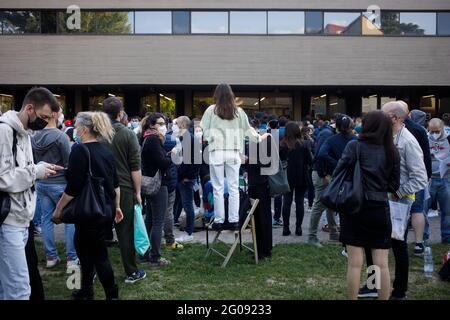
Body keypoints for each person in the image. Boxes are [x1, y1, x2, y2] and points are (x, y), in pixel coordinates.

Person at [52, 111, 123, 300]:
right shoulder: (106, 151)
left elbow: (73, 187)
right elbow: (115, 184)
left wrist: (59, 209)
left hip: (88, 211)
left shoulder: (79, 150)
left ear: (83, 129)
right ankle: (89, 292)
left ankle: (107, 294)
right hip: (104, 209)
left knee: (94, 254)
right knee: (90, 252)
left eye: (76, 127)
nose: (74, 130)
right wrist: (117, 207)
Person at [0, 87, 61, 300]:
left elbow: (21, 170)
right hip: (8, 221)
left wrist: (39, 167)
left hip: (21, 220)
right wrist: (36, 171)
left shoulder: (25, 134)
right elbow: (3, 177)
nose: (44, 122)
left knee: (11, 288)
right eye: (43, 117)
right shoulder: (5, 131)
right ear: (29, 108)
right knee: (19, 291)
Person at [334, 111, 400, 300]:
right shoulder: (391, 150)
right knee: (382, 263)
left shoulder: (354, 146)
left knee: (355, 263)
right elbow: (394, 185)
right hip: (379, 207)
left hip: (354, 207)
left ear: (366, 125)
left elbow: (340, 172)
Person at [200, 84, 269, 231]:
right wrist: (259, 138)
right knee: (233, 187)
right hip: (233, 152)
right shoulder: (239, 112)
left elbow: (203, 130)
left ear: (216, 95)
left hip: (216, 151)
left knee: (217, 187)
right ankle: (234, 220)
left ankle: (218, 220)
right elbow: (248, 130)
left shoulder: (211, 110)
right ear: (231, 95)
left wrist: (211, 138)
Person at [380, 101, 428, 300]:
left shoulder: (408, 140)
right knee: (374, 246)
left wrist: (398, 192)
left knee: (398, 247)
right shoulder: (386, 136)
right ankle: (373, 285)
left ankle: (399, 291)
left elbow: (420, 177)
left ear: (395, 118)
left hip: (399, 203)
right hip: (381, 200)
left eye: (383, 115)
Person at [102, 97, 146, 284]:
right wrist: (138, 192)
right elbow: (135, 167)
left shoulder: (96, 133)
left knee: (97, 230)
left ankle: (93, 270)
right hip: (125, 187)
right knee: (125, 231)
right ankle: (131, 271)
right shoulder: (128, 135)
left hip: (99, 187)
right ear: (120, 114)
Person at [32, 106, 78, 269]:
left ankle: (51, 256)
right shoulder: (61, 137)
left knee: (46, 219)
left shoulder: (35, 136)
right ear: (54, 114)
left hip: (42, 183)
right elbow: (68, 163)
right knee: (70, 221)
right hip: (60, 184)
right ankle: (72, 257)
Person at [141, 113, 176, 267]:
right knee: (157, 222)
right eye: (160, 123)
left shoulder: (148, 138)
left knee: (149, 220)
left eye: (164, 123)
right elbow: (161, 162)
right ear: (151, 125)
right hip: (157, 185)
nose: (163, 126)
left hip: (151, 184)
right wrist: (173, 157)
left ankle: (144, 253)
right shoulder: (153, 140)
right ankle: (155, 257)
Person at [402, 106, 432, 256]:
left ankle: (400, 240)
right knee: (417, 210)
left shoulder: (397, 129)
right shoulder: (420, 130)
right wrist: (428, 175)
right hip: (418, 175)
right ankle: (419, 244)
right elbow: (426, 154)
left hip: (401, 176)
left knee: (400, 209)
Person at [279, 122, 313, 236]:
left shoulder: (282, 145)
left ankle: (285, 228)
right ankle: (298, 228)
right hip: (301, 176)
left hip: (286, 176)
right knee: (299, 202)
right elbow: (310, 160)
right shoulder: (304, 144)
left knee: (286, 202)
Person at [174, 116, 201, 243]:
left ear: (183, 125)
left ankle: (189, 232)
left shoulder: (188, 139)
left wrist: (186, 176)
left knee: (188, 205)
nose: (175, 125)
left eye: (177, 123)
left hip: (186, 178)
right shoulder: (187, 138)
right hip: (184, 177)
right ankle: (178, 225)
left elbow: (190, 161)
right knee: (182, 203)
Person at [424, 118, 450, 244]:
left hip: (445, 178)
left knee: (447, 211)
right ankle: (424, 237)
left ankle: (447, 237)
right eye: (432, 131)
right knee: (423, 210)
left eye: (437, 131)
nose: (434, 133)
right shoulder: (425, 138)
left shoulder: (448, 138)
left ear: (443, 127)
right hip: (429, 179)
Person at [162, 118, 184, 250]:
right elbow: (179, 160)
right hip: (169, 179)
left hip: (155, 180)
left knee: (155, 213)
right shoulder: (173, 140)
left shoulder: (145, 138)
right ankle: (169, 239)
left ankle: (152, 240)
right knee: (168, 211)